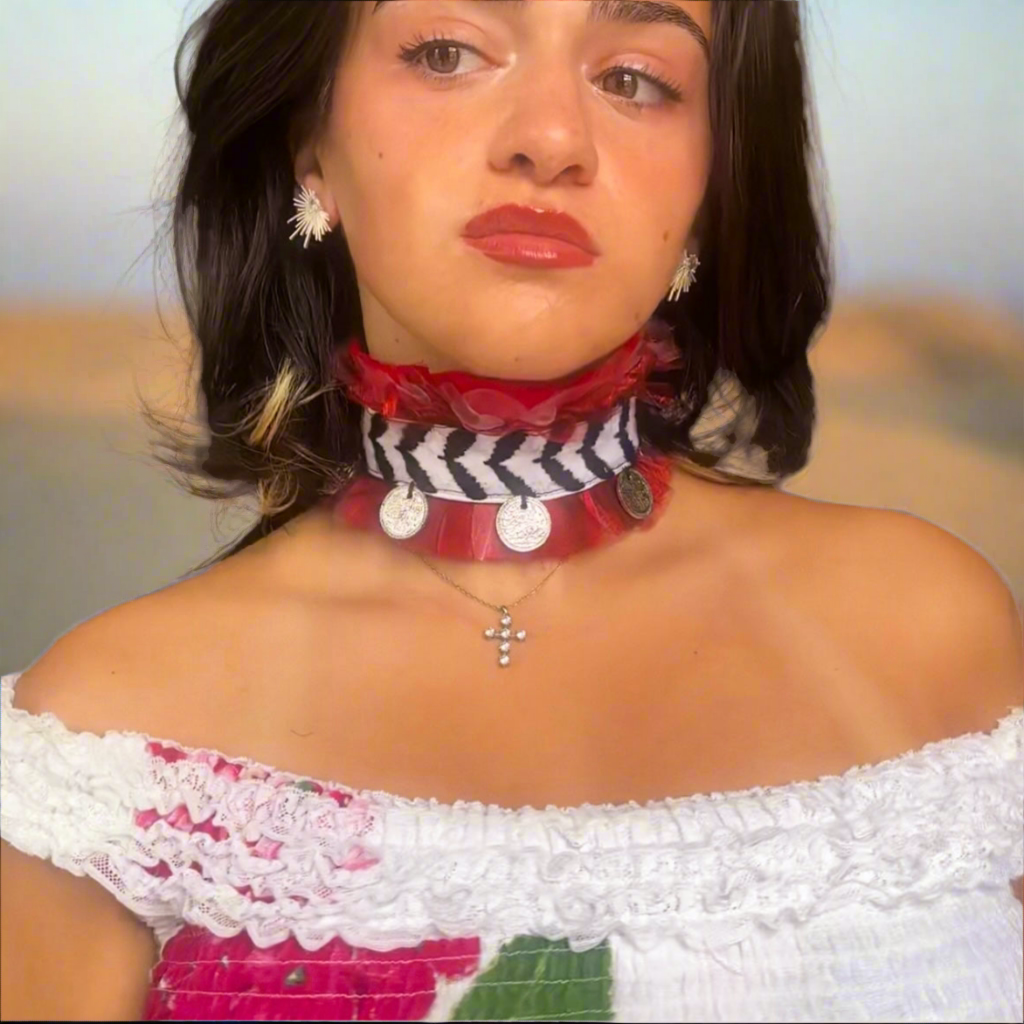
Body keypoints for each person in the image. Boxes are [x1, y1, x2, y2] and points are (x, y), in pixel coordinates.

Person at [1, 1, 1021, 1020]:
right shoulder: (97, 758)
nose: (550, 140)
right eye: (446, 52)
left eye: (634, 79)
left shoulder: (933, 636)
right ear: (307, 136)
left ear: (712, 181)